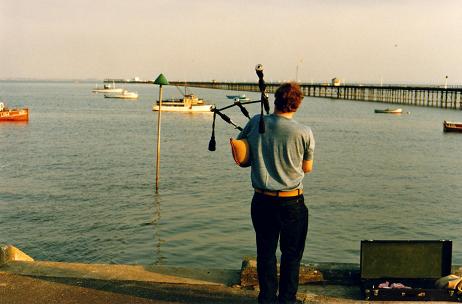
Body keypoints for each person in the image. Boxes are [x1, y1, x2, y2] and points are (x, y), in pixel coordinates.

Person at [236, 82, 315, 304]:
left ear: (276, 101)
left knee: (265, 252)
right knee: (291, 255)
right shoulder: (304, 132)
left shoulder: (255, 121)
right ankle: (287, 300)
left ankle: (267, 299)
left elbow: (242, 153)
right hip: (292, 202)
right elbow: (307, 169)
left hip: (261, 200)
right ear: (297, 104)